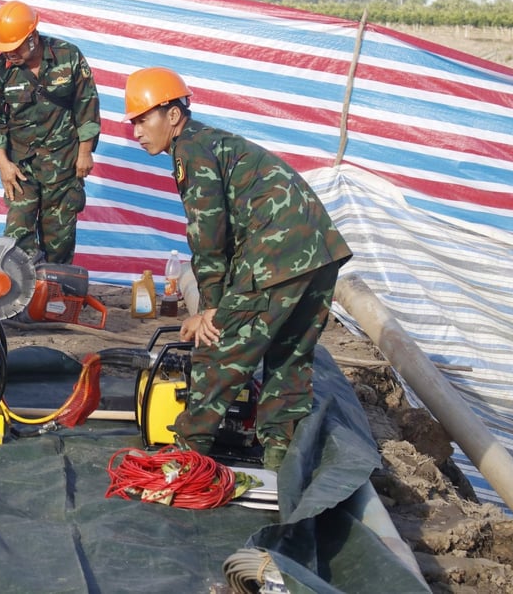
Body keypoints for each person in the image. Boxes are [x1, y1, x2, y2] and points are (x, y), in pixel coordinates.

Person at [123, 67, 353, 471]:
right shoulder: (213, 142)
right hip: (319, 248)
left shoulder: (191, 152)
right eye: (134, 122)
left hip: (279, 251)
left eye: (143, 119)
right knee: (290, 355)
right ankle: (282, 458)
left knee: (220, 346)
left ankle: (186, 454)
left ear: (173, 115)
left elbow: (208, 236)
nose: (137, 131)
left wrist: (210, 307)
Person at [0, 0, 101, 265]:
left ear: (32, 37)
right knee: (17, 237)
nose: (9, 53)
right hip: (21, 168)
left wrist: (85, 153)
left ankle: (56, 300)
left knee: (59, 239)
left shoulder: (68, 56)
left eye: (15, 47)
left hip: (64, 164)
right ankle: (21, 300)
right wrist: (3, 164)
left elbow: (87, 105)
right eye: (5, 48)